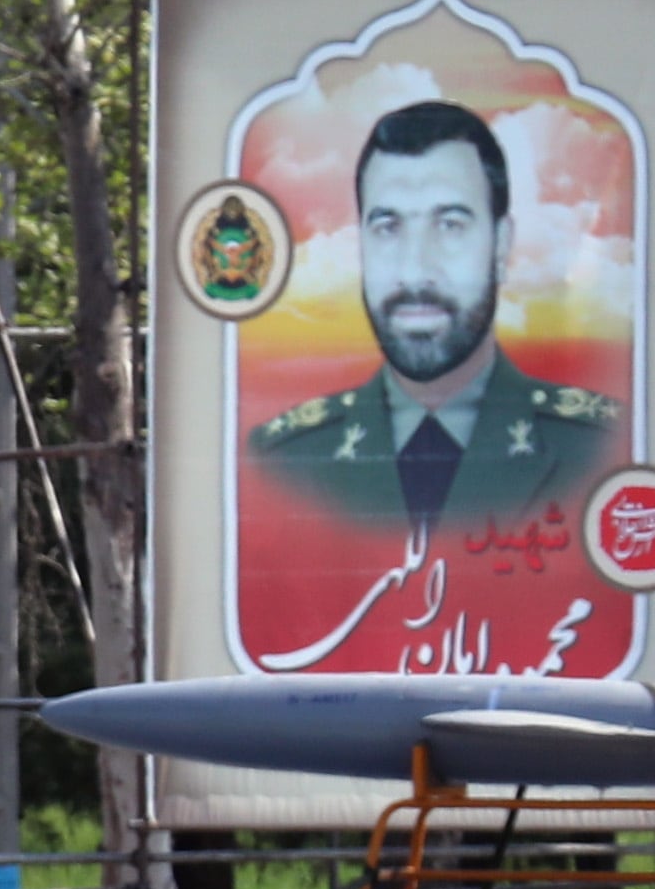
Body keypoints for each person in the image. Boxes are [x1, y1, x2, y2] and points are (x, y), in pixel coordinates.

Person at [248, 98, 622, 551]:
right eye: (388, 227)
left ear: (502, 245)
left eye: (450, 225)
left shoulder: (600, 448)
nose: (414, 271)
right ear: (361, 244)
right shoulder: (284, 461)